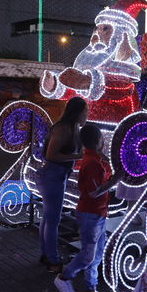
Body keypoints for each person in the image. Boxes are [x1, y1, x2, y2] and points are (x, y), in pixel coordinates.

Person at [54, 124, 123, 292]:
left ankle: (90, 291)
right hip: (90, 214)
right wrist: (115, 180)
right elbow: (94, 192)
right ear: (97, 140)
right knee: (88, 255)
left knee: (97, 253)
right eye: (102, 138)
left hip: (97, 213)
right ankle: (64, 277)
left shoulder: (96, 159)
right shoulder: (92, 163)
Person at [39, 96, 88, 273]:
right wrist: (77, 157)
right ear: (78, 112)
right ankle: (52, 260)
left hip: (57, 175)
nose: (87, 114)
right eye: (86, 111)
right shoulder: (63, 129)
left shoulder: (74, 128)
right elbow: (50, 155)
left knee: (48, 218)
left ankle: (46, 254)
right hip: (52, 175)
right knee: (53, 220)